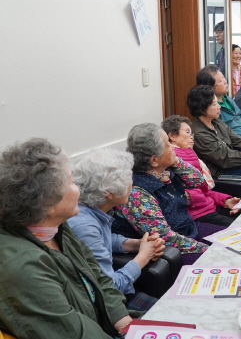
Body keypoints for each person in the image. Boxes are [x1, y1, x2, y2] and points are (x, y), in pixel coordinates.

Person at [0, 139, 135, 338]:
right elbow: (72, 333)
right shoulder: (22, 266)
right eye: (71, 182)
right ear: (48, 204)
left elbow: (97, 276)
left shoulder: (57, 227)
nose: (78, 188)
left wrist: (126, 324)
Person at [111, 123, 223, 265]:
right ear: (154, 159)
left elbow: (197, 181)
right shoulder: (137, 192)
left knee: (237, 244)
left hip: (189, 228)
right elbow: (165, 237)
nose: (173, 147)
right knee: (222, 259)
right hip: (173, 249)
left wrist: (175, 160)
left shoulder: (165, 171)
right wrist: (208, 250)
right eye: (168, 145)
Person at [69, 148, 166, 311]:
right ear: (109, 192)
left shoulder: (90, 210)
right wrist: (144, 255)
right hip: (108, 306)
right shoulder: (84, 227)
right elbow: (112, 287)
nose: (132, 182)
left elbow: (103, 239)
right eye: (127, 178)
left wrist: (134, 244)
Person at [188, 85, 241, 192]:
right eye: (214, 103)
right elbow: (225, 156)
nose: (219, 106)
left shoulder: (216, 122)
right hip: (219, 173)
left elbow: (236, 140)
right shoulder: (198, 133)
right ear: (201, 108)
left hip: (229, 164)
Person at [161, 115, 241, 227]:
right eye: (187, 132)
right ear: (172, 136)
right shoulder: (169, 161)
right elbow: (185, 197)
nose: (192, 137)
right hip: (195, 215)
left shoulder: (191, 155)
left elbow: (203, 191)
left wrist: (225, 201)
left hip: (207, 207)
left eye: (192, 133)